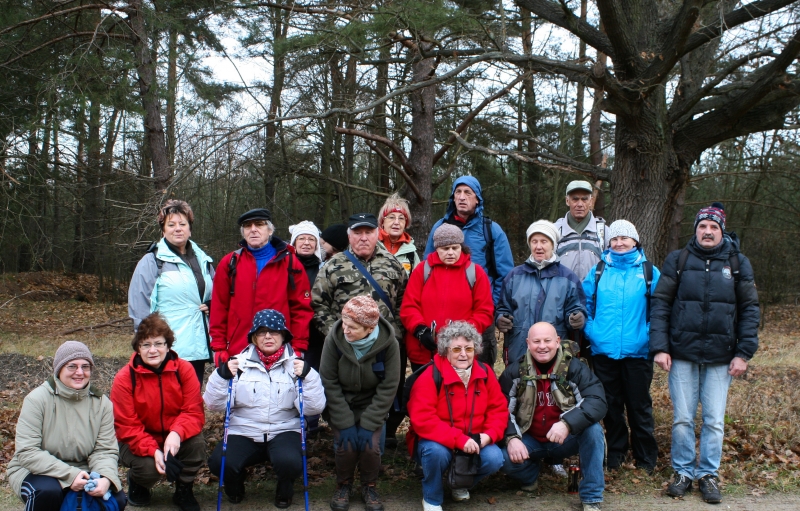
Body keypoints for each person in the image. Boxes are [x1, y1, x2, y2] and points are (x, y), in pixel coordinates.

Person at [650, 203, 759, 504]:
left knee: (713, 420)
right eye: (702, 226)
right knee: (683, 418)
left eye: (713, 227)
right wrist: (660, 347)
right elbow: (660, 304)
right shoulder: (678, 260)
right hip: (681, 354)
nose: (708, 232)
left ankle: (708, 474)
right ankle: (683, 472)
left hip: (722, 357)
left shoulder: (737, 262)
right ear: (695, 229)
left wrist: (744, 353)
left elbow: (750, 309)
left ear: (721, 230)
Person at [204, 309, 325, 507]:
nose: (268, 336)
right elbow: (214, 405)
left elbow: (313, 409)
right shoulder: (237, 364)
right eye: (261, 332)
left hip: (284, 429)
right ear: (253, 337)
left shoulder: (297, 366)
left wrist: (309, 376)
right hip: (244, 430)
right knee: (219, 463)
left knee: (290, 462)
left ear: (284, 336)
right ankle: (235, 484)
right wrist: (220, 376)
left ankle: (285, 489)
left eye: (274, 331)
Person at [313, 213, 408, 447]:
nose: (363, 238)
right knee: (345, 392)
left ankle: (375, 447)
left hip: (383, 348)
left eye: (368, 232)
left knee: (383, 393)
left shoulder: (393, 264)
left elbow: (405, 301)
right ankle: (345, 444)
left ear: (378, 233)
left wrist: (394, 333)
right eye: (357, 233)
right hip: (345, 349)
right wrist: (335, 335)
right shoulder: (333, 265)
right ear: (349, 236)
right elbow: (318, 304)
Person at [8, 341, 127, 511]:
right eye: (72, 366)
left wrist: (106, 478)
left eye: (85, 367)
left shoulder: (102, 404)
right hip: (36, 470)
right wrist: (70, 475)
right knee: (48, 492)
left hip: (84, 469)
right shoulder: (37, 400)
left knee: (118, 498)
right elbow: (27, 452)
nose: (79, 372)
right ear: (59, 369)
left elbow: (105, 450)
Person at [500, 323, 607, 511]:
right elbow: (499, 409)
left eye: (547, 341)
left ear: (557, 342)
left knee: (593, 430)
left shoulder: (575, 368)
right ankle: (530, 476)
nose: (542, 346)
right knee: (502, 457)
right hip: (530, 439)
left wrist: (567, 423)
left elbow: (597, 401)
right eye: (536, 341)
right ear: (528, 343)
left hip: (564, 439)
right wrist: (511, 438)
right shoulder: (514, 371)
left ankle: (591, 497)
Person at [582, 220, 660, 473]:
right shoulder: (598, 271)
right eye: (614, 239)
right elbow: (584, 305)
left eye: (624, 238)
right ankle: (615, 453)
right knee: (611, 406)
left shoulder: (650, 272)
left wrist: (648, 336)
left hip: (639, 352)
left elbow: (660, 309)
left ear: (635, 241)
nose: (619, 243)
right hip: (604, 351)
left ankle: (645, 456)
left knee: (639, 406)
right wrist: (592, 332)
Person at [406, 322, 506, 510]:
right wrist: (459, 440)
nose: (463, 354)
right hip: (438, 441)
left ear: (475, 350)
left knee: (495, 457)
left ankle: (460, 483)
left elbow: (498, 410)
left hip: (474, 439)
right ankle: (432, 497)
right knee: (435, 453)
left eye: (469, 348)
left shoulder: (485, 373)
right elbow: (423, 419)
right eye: (457, 349)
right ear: (445, 350)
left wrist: (489, 435)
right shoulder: (430, 375)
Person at [111, 313, 206, 511]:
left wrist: (177, 433)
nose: (152, 350)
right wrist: (153, 450)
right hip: (139, 439)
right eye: (146, 345)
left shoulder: (184, 370)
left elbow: (193, 411)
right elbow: (126, 425)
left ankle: (184, 489)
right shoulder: (124, 378)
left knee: (196, 444)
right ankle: (138, 483)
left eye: (158, 343)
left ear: (168, 345)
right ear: (138, 348)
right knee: (148, 469)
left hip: (174, 435)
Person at [319, 296, 401, 511]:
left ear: (369, 328)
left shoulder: (389, 343)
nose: (346, 330)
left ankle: (369, 485)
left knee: (370, 446)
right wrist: (344, 421)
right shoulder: (334, 339)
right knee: (345, 445)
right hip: (341, 401)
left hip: (372, 403)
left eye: (353, 327)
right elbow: (328, 381)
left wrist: (370, 421)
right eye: (344, 324)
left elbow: (389, 386)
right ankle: (343, 484)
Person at [423, 176, 514, 366]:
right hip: (444, 313)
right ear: (453, 198)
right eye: (458, 192)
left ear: (477, 199)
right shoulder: (439, 228)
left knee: (480, 370)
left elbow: (505, 275)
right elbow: (427, 268)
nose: (462, 197)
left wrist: (492, 307)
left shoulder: (491, 230)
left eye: (468, 193)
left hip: (480, 316)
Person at [209, 208, 313, 367]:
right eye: (247, 226)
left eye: (259, 224)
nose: (253, 230)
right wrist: (218, 347)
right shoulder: (230, 263)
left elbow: (301, 309)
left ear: (270, 230)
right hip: (238, 350)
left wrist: (298, 347)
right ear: (243, 232)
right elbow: (219, 308)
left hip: (280, 352)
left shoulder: (290, 263)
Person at [128, 199, 214, 383]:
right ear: (163, 229)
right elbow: (140, 306)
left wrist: (212, 305)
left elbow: (216, 294)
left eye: (183, 224)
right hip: (166, 349)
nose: (178, 228)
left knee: (191, 403)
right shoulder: (152, 261)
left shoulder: (204, 260)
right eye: (171, 224)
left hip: (198, 346)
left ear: (190, 229)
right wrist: (147, 344)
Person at [400, 224, 493, 371]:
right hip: (423, 351)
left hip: (459, 353)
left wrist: (462, 335)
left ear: (461, 247)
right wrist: (420, 330)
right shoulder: (422, 270)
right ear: (436, 248)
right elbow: (409, 306)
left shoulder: (475, 273)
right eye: (445, 248)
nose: (450, 253)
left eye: (455, 248)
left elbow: (484, 311)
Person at [495, 220, 586, 364]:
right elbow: (503, 307)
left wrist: (577, 317)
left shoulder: (568, 278)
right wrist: (500, 318)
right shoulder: (514, 276)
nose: (538, 247)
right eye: (534, 241)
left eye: (544, 241)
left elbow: (576, 308)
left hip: (556, 351)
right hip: (519, 349)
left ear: (553, 245)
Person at [290, 220, 326, 372]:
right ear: (294, 242)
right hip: (289, 332)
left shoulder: (325, 268)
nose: (306, 243)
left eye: (311, 239)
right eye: (301, 238)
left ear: (317, 244)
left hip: (317, 334)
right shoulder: (285, 266)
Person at [552, 180, 607, 281]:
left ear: (591, 201)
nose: (580, 204)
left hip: (593, 295)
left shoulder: (604, 232)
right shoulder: (554, 231)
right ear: (567, 201)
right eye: (575, 199)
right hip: (563, 295)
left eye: (584, 199)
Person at [377, 193, 420, 275]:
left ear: (405, 224)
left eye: (401, 218)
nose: (396, 222)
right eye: (391, 217)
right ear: (382, 222)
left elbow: (417, 283)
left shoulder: (411, 253)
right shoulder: (371, 247)